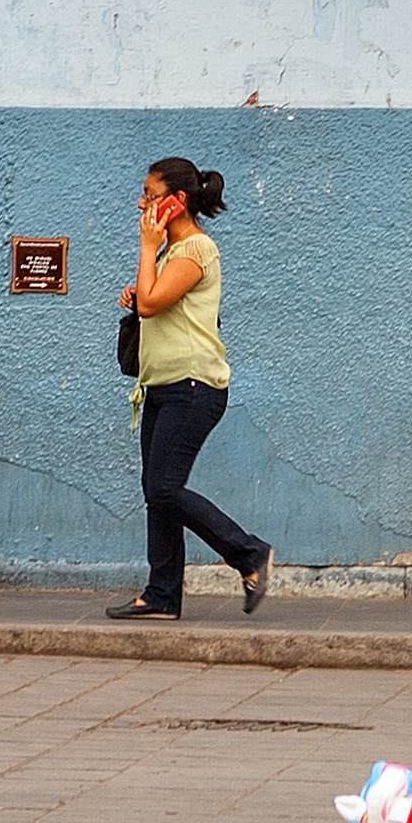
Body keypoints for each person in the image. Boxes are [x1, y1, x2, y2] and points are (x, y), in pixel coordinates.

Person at [114, 157, 268, 623]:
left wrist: (145, 251)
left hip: (193, 386)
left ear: (176, 202)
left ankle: (249, 554)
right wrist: (138, 287)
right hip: (162, 385)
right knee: (156, 491)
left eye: (150, 194)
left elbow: (154, 303)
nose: (142, 203)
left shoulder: (194, 250)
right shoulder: (171, 252)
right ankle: (161, 594)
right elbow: (152, 301)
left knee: (163, 487)